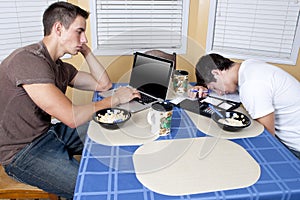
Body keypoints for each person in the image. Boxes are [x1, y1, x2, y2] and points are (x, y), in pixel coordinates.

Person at [0, 2, 140, 199]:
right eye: (79, 31)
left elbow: (103, 84)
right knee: (94, 189)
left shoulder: (60, 67)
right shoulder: (27, 60)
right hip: (23, 154)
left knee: (108, 128)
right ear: (58, 28)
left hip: (48, 134)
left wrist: (86, 51)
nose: (84, 38)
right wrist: (115, 99)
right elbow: (71, 117)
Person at [189, 53, 300, 159]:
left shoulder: (252, 86)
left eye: (214, 88)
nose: (219, 93)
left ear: (216, 73)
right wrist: (203, 87)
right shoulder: (249, 66)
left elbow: (266, 137)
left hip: (293, 147)